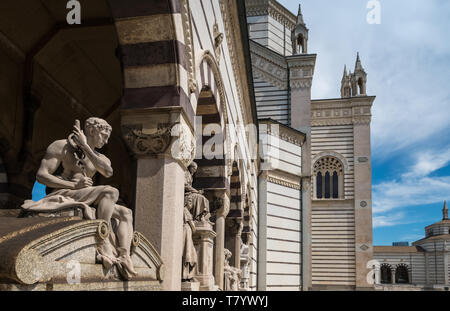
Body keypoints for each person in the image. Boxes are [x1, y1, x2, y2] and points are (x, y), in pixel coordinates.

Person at [21, 118, 137, 279]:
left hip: (86, 194)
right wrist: (73, 186)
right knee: (111, 192)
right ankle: (102, 240)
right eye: (103, 135)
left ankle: (124, 256)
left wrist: (85, 146)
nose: (106, 140)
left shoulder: (101, 157)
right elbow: (41, 176)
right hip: (64, 192)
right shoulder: (61, 146)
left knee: (126, 213)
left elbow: (107, 172)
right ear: (91, 131)